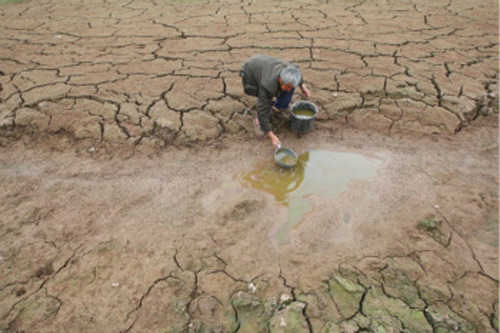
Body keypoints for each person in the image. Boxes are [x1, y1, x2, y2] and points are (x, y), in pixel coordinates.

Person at [240, 54, 311, 147]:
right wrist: (272, 136)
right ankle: (257, 119)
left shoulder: (290, 70)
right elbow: (263, 108)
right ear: (280, 80)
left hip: (265, 66)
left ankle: (277, 109)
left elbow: (297, 76)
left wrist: (302, 87)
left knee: (289, 88)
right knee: (264, 99)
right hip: (250, 73)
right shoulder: (268, 85)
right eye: (287, 86)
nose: (289, 89)